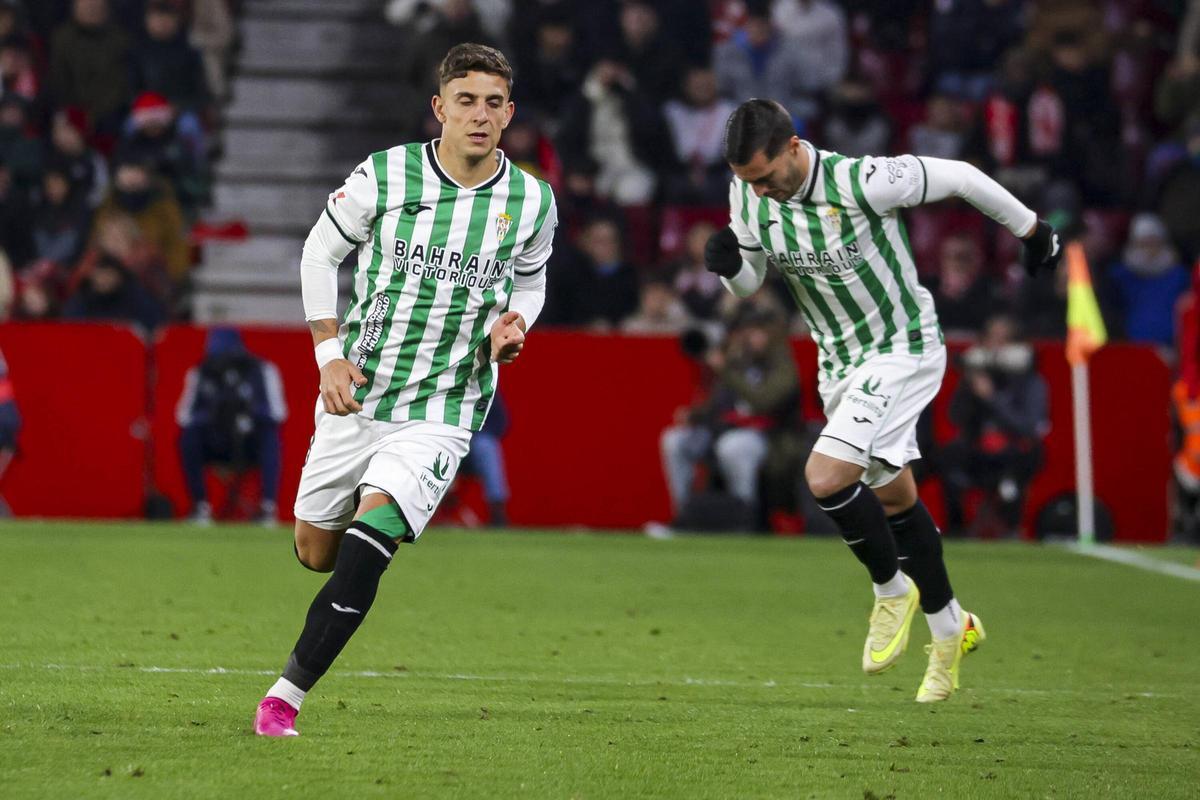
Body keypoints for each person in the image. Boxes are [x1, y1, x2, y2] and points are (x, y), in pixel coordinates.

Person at [703, 99, 1062, 701]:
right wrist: (728, 267)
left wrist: (1032, 229)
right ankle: (952, 628)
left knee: (825, 476)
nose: (758, 193)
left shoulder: (862, 180)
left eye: (765, 177)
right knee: (893, 493)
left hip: (902, 348)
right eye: (747, 182)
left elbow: (964, 178)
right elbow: (749, 281)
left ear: (794, 147)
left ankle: (891, 590)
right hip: (837, 364)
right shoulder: (747, 194)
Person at [253, 43, 556, 737]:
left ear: (509, 113)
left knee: (371, 536)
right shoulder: (385, 176)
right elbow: (319, 253)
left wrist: (516, 323)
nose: (479, 116)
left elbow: (533, 282)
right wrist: (328, 354)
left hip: (446, 405)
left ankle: (284, 698)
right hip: (359, 389)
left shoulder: (532, 200)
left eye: (493, 103)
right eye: (466, 100)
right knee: (316, 551)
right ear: (440, 107)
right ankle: (332, 560)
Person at [660, 306, 799, 527]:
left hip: (770, 438)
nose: (752, 337)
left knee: (733, 447)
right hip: (723, 431)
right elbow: (719, 405)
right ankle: (685, 516)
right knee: (674, 440)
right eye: (749, 331)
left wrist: (726, 370)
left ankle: (744, 519)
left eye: (758, 332)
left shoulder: (782, 363)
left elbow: (764, 402)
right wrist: (694, 415)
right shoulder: (738, 358)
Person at [937, 315, 1048, 536]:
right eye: (991, 339)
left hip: (1015, 452)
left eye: (1003, 340)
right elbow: (956, 417)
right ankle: (956, 530)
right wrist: (970, 389)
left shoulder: (1031, 382)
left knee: (1019, 466)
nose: (996, 346)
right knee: (946, 457)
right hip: (977, 451)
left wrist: (992, 398)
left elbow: (1027, 426)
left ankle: (1011, 529)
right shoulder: (974, 378)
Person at [176, 328, 287, 525]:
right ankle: (200, 506)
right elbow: (184, 416)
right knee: (189, 438)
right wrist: (216, 418)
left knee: (270, 437)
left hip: (249, 443)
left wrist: (247, 417)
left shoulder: (263, 370)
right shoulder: (200, 372)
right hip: (217, 442)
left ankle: (267, 508)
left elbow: (278, 413)